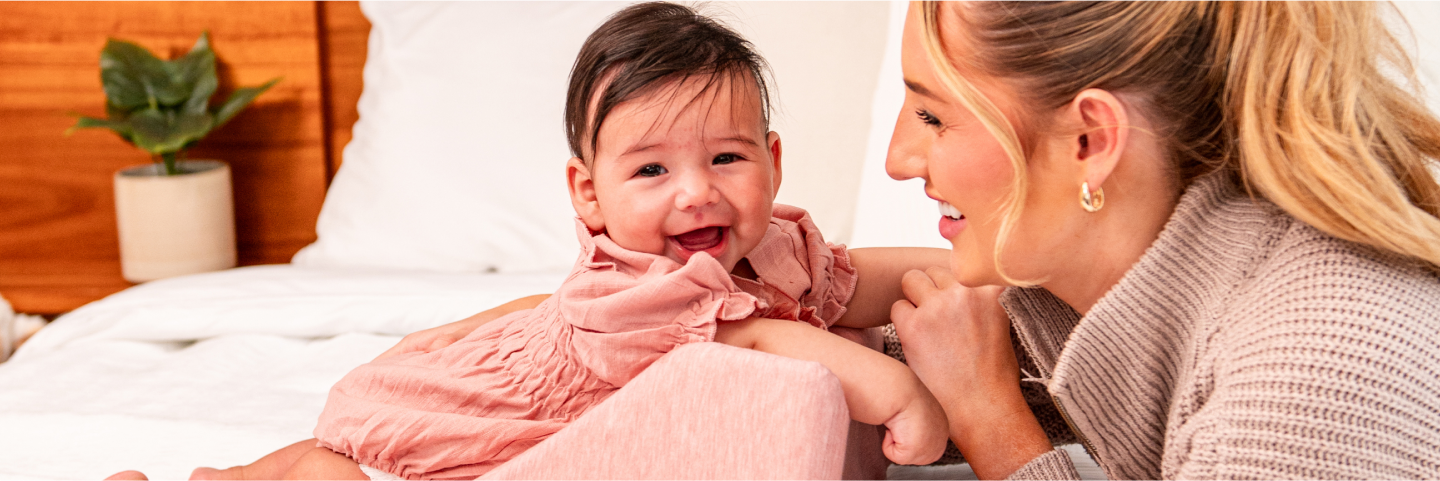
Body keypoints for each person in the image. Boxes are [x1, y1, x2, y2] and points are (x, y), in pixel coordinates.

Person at [105, 3, 949, 481]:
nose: (697, 190)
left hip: (536, 398)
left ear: (770, 163)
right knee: (337, 473)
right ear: (590, 195)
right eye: (650, 170)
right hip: (475, 413)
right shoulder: (630, 288)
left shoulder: (778, 248)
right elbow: (758, 336)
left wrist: (985, 272)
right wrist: (902, 393)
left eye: (726, 157)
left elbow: (863, 275)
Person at [882, 0, 1440, 479]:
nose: (898, 160)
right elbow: (946, 350)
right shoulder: (1206, 269)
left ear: (1092, 139)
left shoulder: (1295, 391)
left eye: (932, 116)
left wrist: (989, 419)